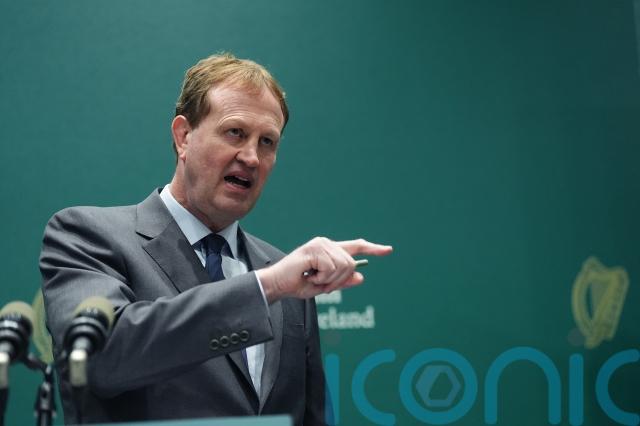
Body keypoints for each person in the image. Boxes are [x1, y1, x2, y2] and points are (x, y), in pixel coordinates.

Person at [39, 53, 392, 425]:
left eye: (267, 141)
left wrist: (273, 283)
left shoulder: (283, 275)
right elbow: (101, 358)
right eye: (235, 132)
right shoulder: (86, 235)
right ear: (183, 137)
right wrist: (266, 287)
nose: (252, 157)